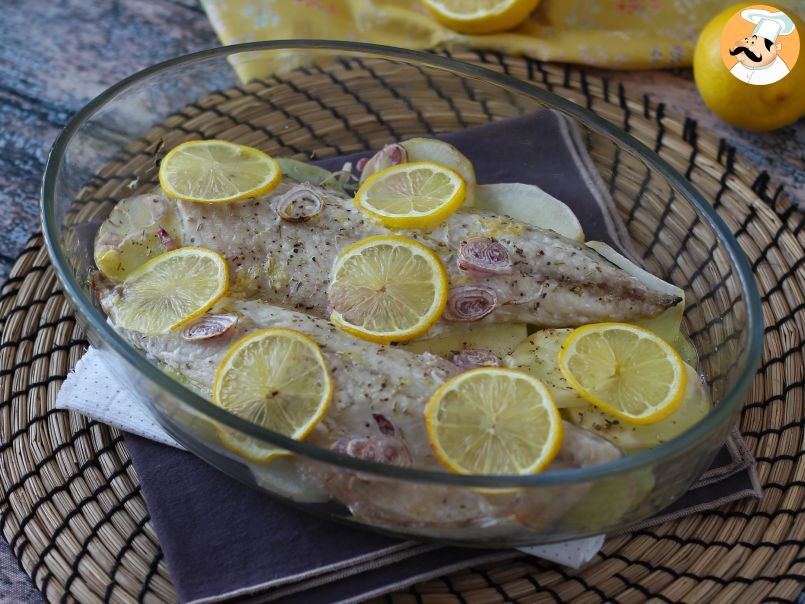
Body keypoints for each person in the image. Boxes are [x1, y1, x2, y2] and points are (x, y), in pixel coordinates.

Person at [729, 8, 796, 85]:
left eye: (753, 43)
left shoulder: (779, 71)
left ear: (776, 47)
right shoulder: (739, 66)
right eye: (747, 40)